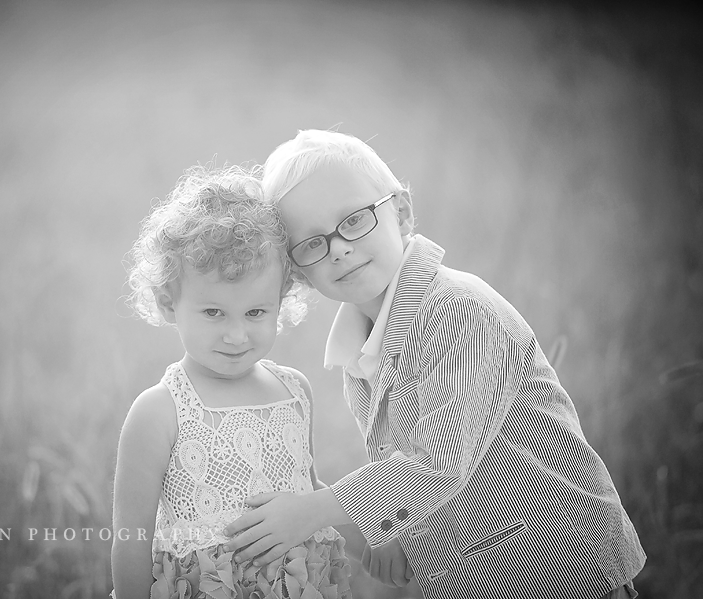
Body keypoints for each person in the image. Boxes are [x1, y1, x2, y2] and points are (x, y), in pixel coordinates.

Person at [223, 130, 646, 599]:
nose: (339, 247)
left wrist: (313, 509)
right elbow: (409, 467)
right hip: (480, 572)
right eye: (312, 244)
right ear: (300, 272)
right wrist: (393, 532)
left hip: (562, 562)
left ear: (400, 212)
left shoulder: (455, 311)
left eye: (354, 220)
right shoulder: (360, 348)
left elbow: (437, 462)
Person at [111, 164, 353, 599]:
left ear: (281, 300)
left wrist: (370, 541)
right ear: (169, 302)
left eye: (256, 312)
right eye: (213, 312)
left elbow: (309, 491)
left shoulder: (294, 391)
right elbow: (130, 537)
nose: (237, 335)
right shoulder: (160, 411)